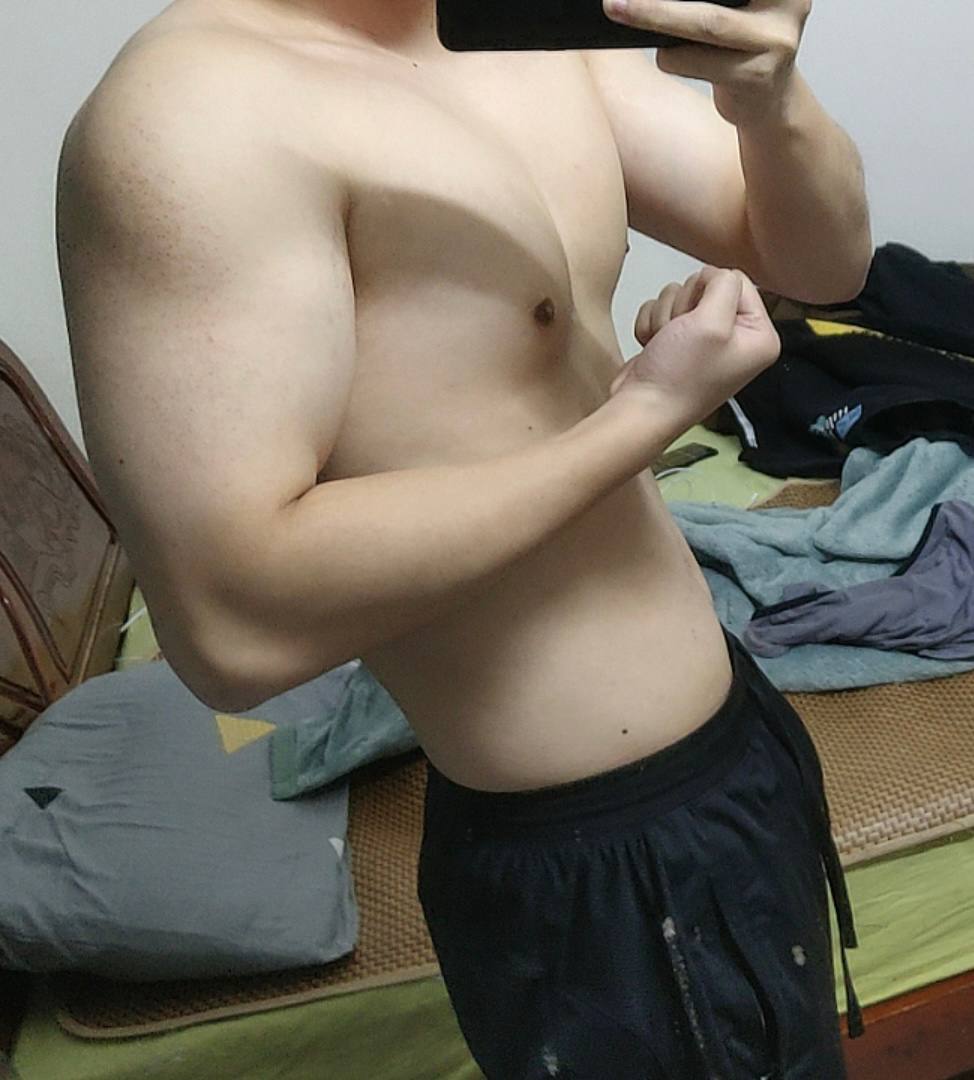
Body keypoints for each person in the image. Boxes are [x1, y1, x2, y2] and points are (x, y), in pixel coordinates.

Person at [55, 0, 871, 1075]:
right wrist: (645, 415)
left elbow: (822, 261)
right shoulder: (193, 116)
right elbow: (230, 629)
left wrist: (769, 99)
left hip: (737, 743)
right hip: (582, 844)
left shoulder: (523, 29)